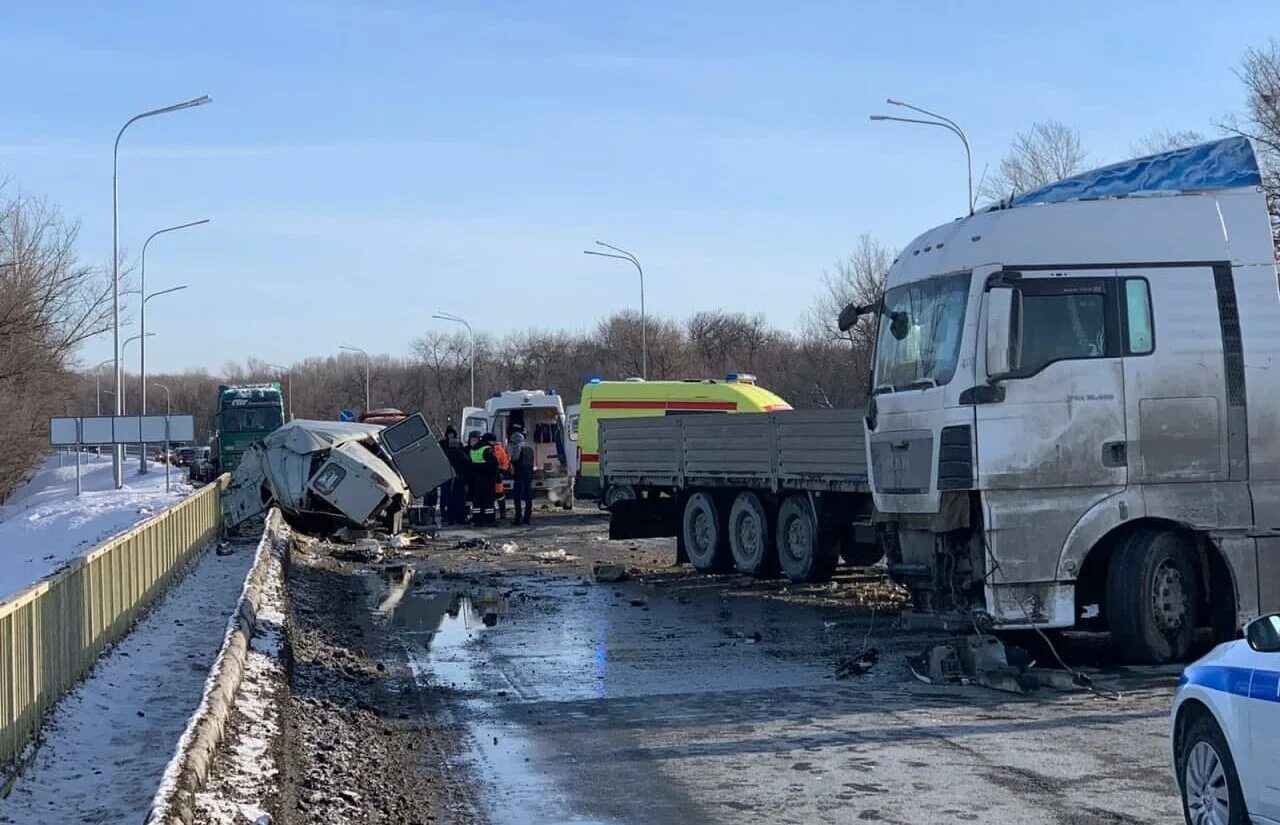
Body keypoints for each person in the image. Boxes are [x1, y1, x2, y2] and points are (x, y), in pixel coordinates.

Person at [438, 425, 471, 525]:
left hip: (451, 477)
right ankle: (458, 516)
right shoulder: (460, 452)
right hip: (456, 478)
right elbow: (466, 464)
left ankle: (449, 516)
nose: (451, 435)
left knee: (449, 498)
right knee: (456, 499)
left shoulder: (445, 451)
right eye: (449, 434)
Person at [467, 430, 498, 525]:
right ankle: (489, 519)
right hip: (487, 478)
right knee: (488, 500)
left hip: (476, 478)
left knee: (477, 499)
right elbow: (494, 464)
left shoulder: (472, 450)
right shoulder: (487, 449)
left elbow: (470, 464)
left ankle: (477, 518)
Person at [509, 430, 536, 525]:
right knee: (528, 497)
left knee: (517, 497)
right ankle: (527, 518)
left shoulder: (518, 446)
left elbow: (515, 459)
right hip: (529, 474)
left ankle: (518, 518)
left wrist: (511, 460)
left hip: (520, 474)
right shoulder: (530, 448)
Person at [487, 433, 512, 521]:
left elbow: (504, 462)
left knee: (500, 495)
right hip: (490, 476)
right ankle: (492, 515)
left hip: (497, 475)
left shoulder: (498, 449)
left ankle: (502, 514)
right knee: (491, 496)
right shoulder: (489, 449)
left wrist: (501, 472)